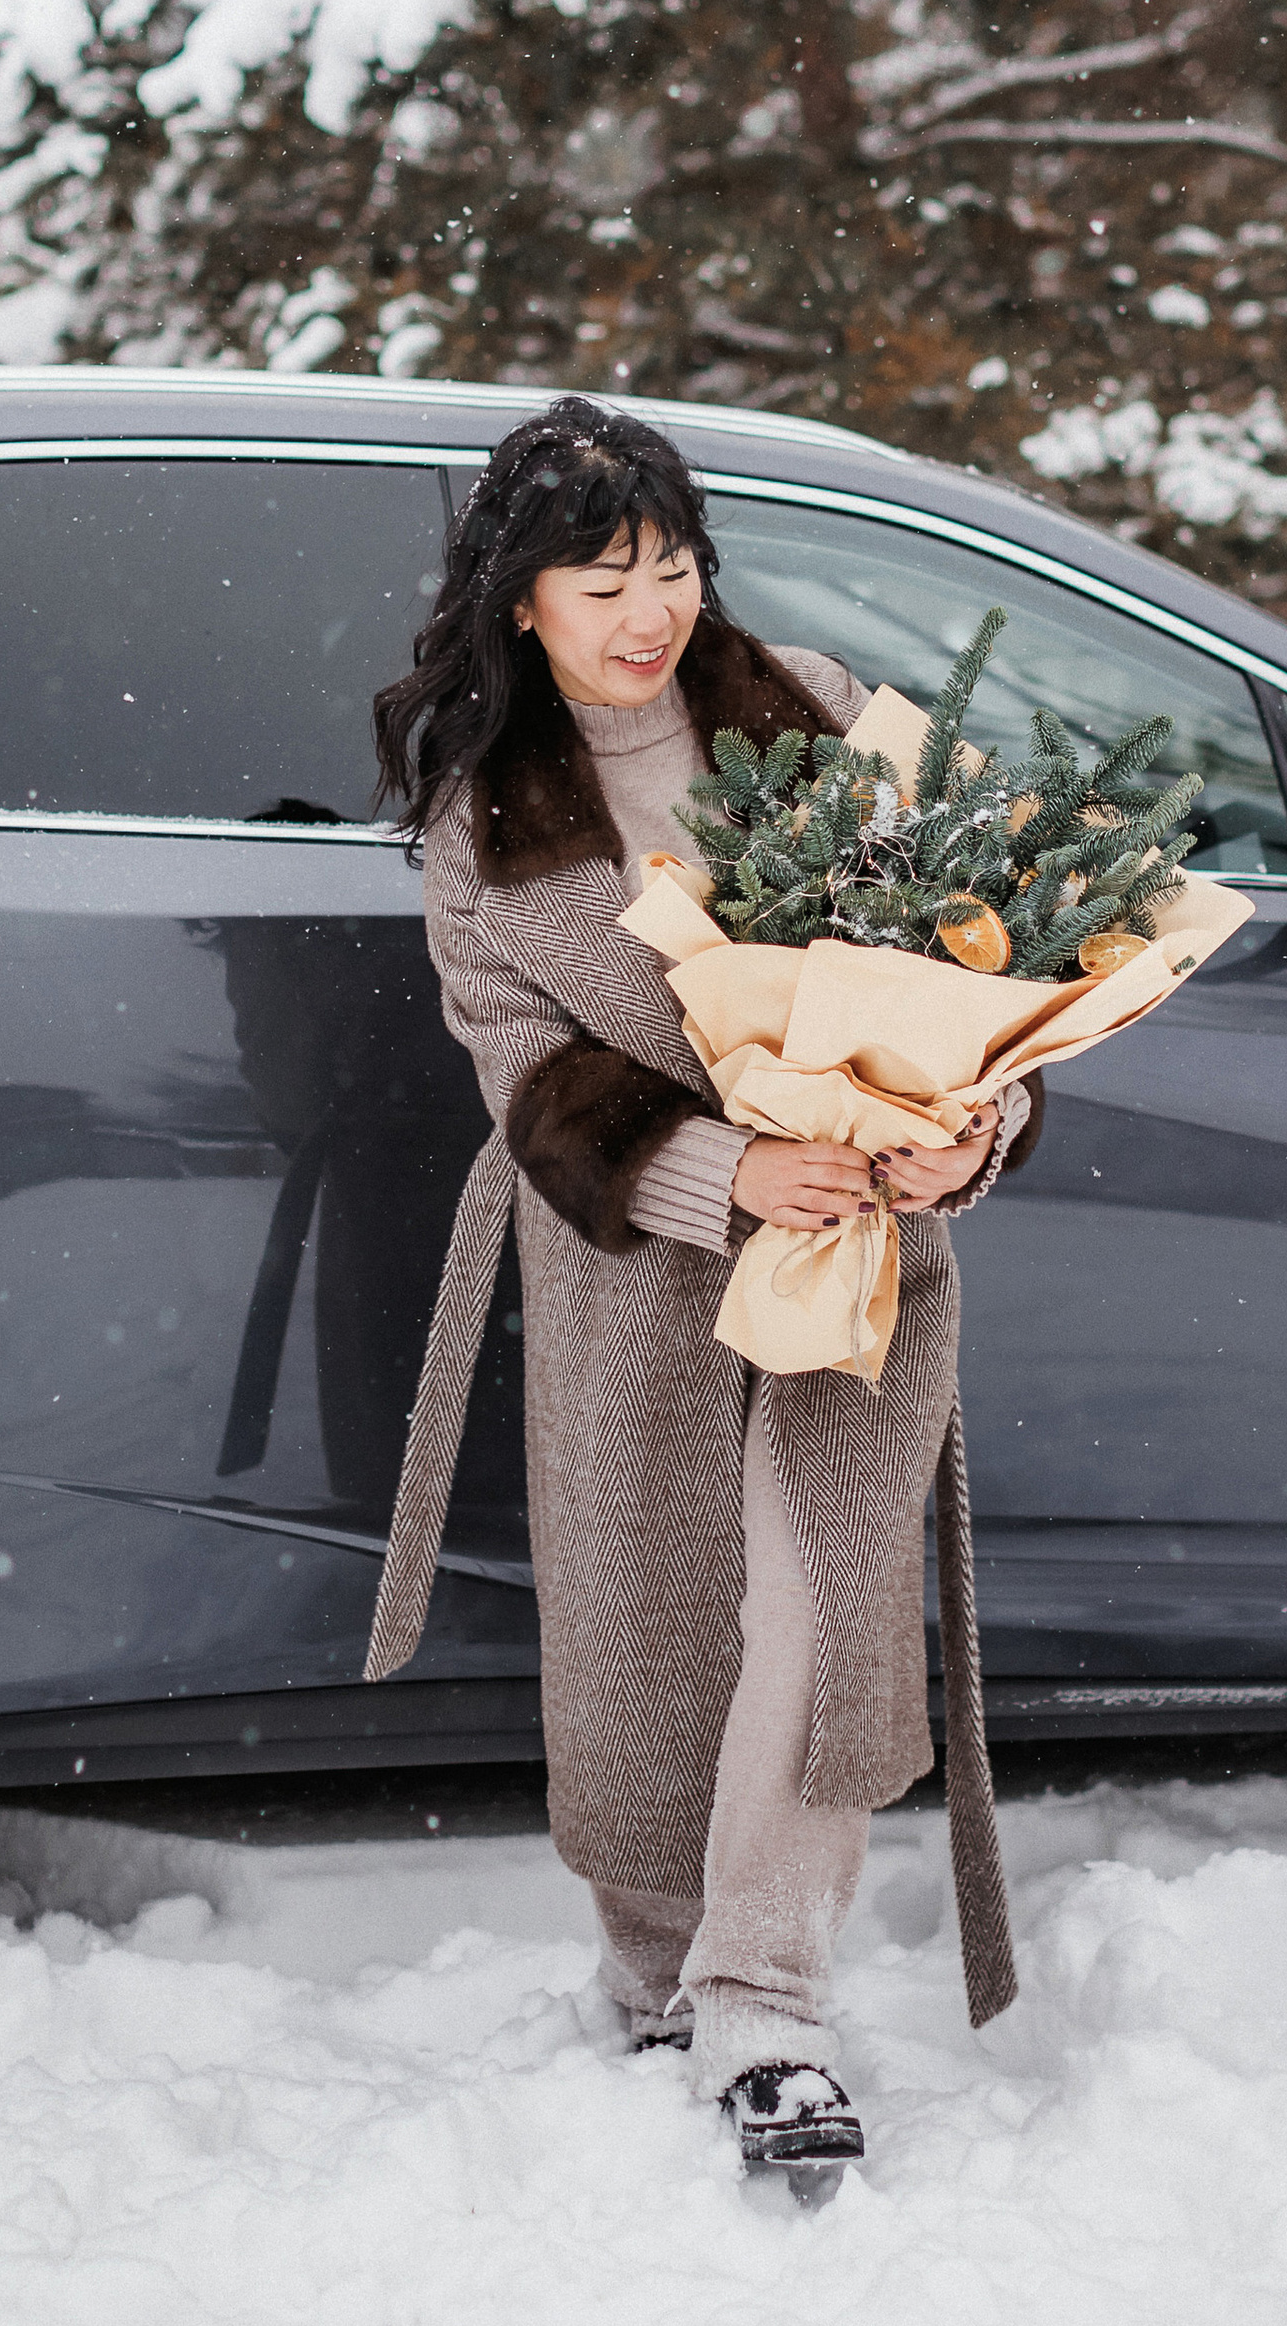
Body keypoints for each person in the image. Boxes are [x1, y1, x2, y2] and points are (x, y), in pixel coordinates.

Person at [368, 398, 1033, 2188]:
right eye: (603, 579)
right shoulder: (482, 828)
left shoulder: (807, 707)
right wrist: (722, 1170)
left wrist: (968, 1127)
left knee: (817, 1609)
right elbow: (517, 1074)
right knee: (654, 1632)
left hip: (863, 1253)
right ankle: (661, 1958)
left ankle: (766, 1999)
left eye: (671, 566)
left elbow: (985, 946)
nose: (649, 609)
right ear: (522, 604)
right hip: (648, 1285)